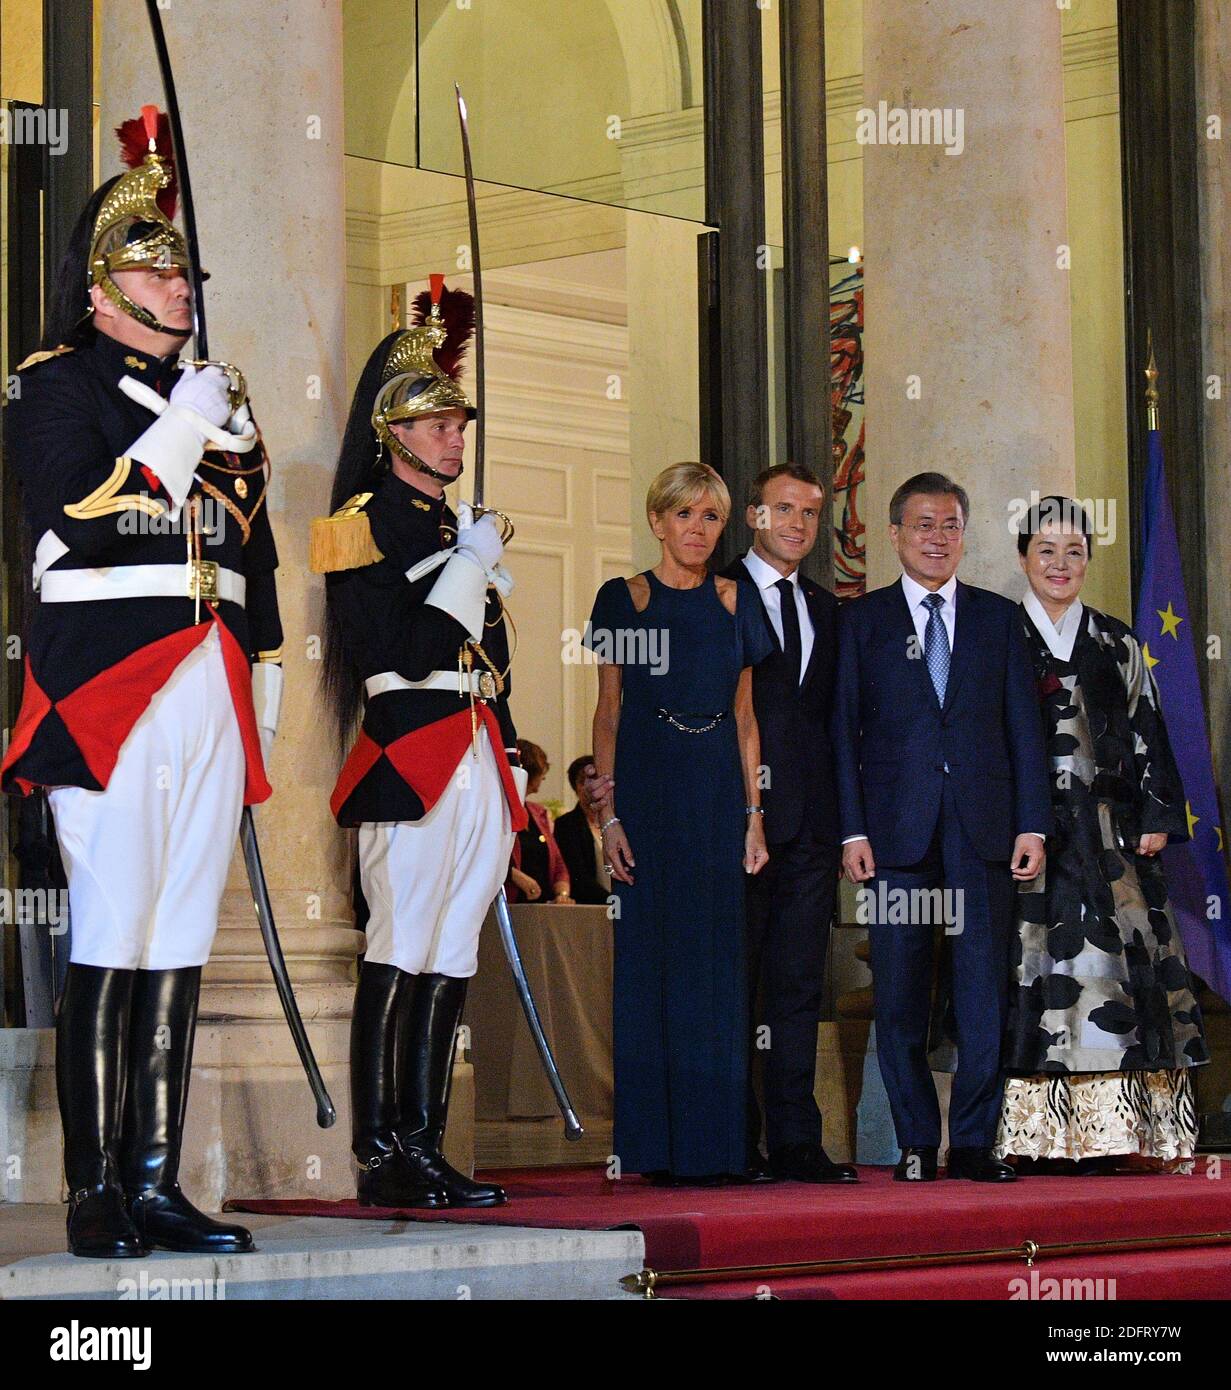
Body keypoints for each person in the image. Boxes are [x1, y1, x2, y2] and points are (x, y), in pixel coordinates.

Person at [0, 110, 280, 1257]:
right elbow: (81, 514)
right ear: (104, 287)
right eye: (157, 272)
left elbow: (246, 550)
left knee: (177, 935)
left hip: (205, 680)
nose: (180, 291)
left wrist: (259, 669)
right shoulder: (52, 382)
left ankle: (157, 1178)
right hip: (107, 680)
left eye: (183, 273)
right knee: (113, 925)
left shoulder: (208, 392)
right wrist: (181, 433)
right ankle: (93, 1189)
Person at [314, 275, 526, 1210]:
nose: (455, 435)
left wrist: (511, 747)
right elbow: (394, 649)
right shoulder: (352, 530)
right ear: (392, 432)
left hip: (475, 745)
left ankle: (425, 1140)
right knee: (399, 943)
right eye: (437, 422)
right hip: (410, 746)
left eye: (458, 421)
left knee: (453, 950)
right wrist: (468, 565)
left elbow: (493, 659)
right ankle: (378, 1149)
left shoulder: (450, 526)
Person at [832, 472, 1051, 1183]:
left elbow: (1025, 727)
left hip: (983, 834)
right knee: (898, 993)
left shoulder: (998, 619)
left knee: (984, 992)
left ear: (964, 535)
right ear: (894, 534)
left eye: (950, 525)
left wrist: (1032, 824)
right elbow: (843, 734)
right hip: (895, 838)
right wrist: (852, 832)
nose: (936, 538)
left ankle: (976, 1144)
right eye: (922, 525)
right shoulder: (861, 623)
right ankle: (915, 1145)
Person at [994, 497, 1208, 1172]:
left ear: (1089, 558)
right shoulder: (998, 637)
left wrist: (1154, 818)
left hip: (1112, 840)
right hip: (1025, 837)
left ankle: (1117, 1137)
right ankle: (1036, 1138)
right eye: (1046, 551)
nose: (1060, 565)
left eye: (1074, 552)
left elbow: (1150, 733)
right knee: (1038, 975)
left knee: (1116, 978)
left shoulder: (1117, 643)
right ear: (1024, 557)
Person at [584, 462, 773, 1183]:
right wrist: (609, 818)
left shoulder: (734, 601)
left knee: (715, 968)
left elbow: (747, 720)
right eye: (684, 515)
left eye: (711, 518)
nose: (697, 529)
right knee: (652, 966)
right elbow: (608, 713)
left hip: (717, 794)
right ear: (657, 520)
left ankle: (715, 1147)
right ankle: (657, 1148)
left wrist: (753, 817)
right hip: (649, 787)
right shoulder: (623, 598)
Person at [720, 465, 856, 1184]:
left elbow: (836, 724)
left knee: (799, 986)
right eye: (783, 509)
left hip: (809, 828)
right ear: (753, 515)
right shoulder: (712, 594)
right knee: (734, 984)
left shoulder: (827, 609)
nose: (798, 523)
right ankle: (733, 1139)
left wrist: (843, 829)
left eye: (809, 511)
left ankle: (798, 1140)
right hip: (731, 823)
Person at [506, 739, 572, 903]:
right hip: (511, 905)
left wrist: (562, 894)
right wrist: (514, 875)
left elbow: (558, 864)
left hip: (540, 906)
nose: (544, 777)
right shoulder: (499, 812)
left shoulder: (539, 813)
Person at [553, 756, 612, 906]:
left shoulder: (617, 822)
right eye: (587, 780)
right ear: (577, 786)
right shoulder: (567, 825)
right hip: (590, 906)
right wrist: (613, 901)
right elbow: (578, 875)